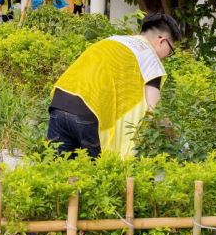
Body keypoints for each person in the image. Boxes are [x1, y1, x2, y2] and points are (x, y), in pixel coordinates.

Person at [47, 12, 181, 158]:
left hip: (59, 102)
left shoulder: (114, 40)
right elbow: (154, 110)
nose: (168, 56)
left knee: (59, 173)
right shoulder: (150, 58)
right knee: (99, 175)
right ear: (162, 41)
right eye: (171, 50)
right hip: (90, 110)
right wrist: (177, 139)